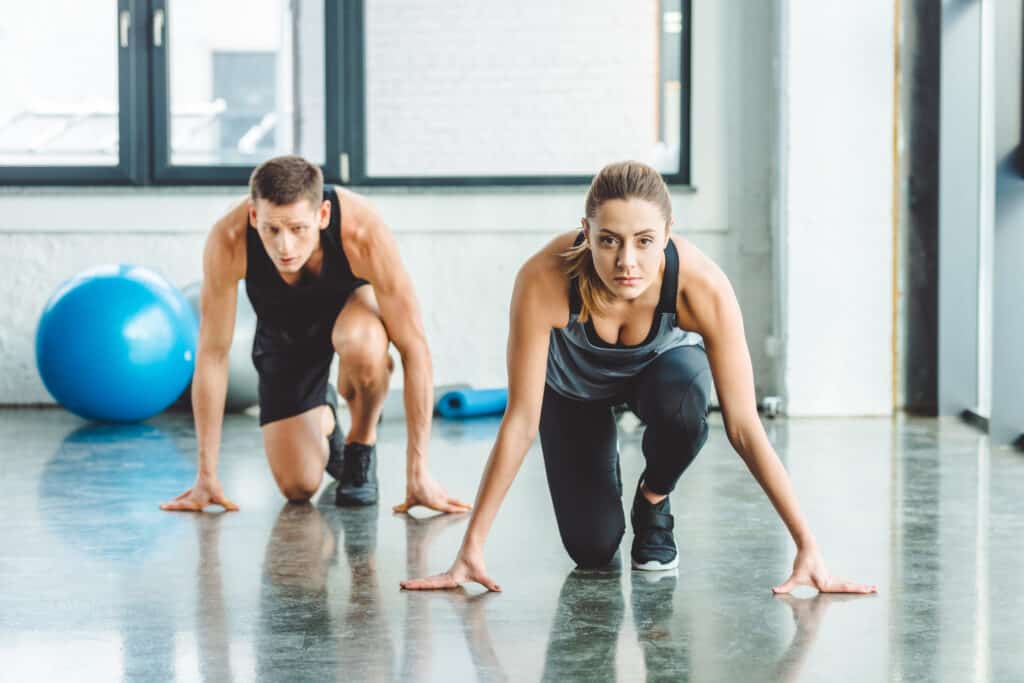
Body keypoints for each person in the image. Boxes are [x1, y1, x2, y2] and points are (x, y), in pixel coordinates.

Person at [401, 161, 876, 594]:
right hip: (573, 392)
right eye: (609, 240)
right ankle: (610, 518)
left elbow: (745, 428)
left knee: (686, 400)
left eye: (645, 241)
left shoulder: (701, 286)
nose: (627, 261)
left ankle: (653, 499)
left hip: (663, 380)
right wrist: (471, 548)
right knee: (592, 550)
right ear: (585, 231)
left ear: (668, 232)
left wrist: (806, 545)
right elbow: (522, 421)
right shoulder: (543, 280)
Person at [161, 155, 468, 514]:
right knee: (298, 487)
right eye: (272, 230)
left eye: (297, 229)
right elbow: (213, 354)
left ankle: (360, 444)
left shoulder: (362, 231)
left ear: (322, 216)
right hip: (283, 331)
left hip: (351, 314)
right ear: (254, 216)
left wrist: (419, 473)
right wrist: (206, 475)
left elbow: (414, 348)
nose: (284, 247)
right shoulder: (229, 240)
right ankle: (326, 415)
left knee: (362, 342)